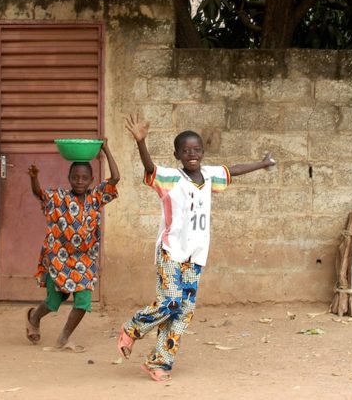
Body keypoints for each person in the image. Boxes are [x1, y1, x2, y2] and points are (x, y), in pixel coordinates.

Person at [117, 113, 276, 381]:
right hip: (170, 250)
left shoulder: (211, 175)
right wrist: (140, 142)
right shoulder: (170, 178)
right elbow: (149, 169)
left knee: (184, 311)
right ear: (177, 154)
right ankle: (132, 328)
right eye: (186, 150)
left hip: (196, 254)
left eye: (197, 149)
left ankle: (159, 363)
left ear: (202, 152)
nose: (192, 154)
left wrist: (262, 163)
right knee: (169, 301)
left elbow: (233, 169)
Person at [25, 138, 120, 352]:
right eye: (75, 177)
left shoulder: (96, 197)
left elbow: (115, 177)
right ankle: (33, 316)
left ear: (91, 180)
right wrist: (34, 178)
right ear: (68, 178)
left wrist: (106, 148)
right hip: (59, 258)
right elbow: (40, 193)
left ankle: (64, 338)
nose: (79, 181)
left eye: (84, 178)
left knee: (83, 301)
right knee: (54, 302)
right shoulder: (59, 198)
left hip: (84, 259)